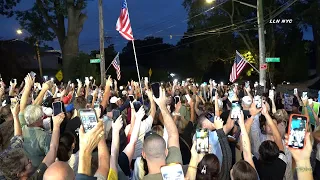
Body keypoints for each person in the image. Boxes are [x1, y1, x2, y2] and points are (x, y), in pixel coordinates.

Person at [141, 87, 182, 180]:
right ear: (166, 152)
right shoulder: (176, 170)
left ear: (143, 154)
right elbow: (173, 134)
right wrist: (162, 106)